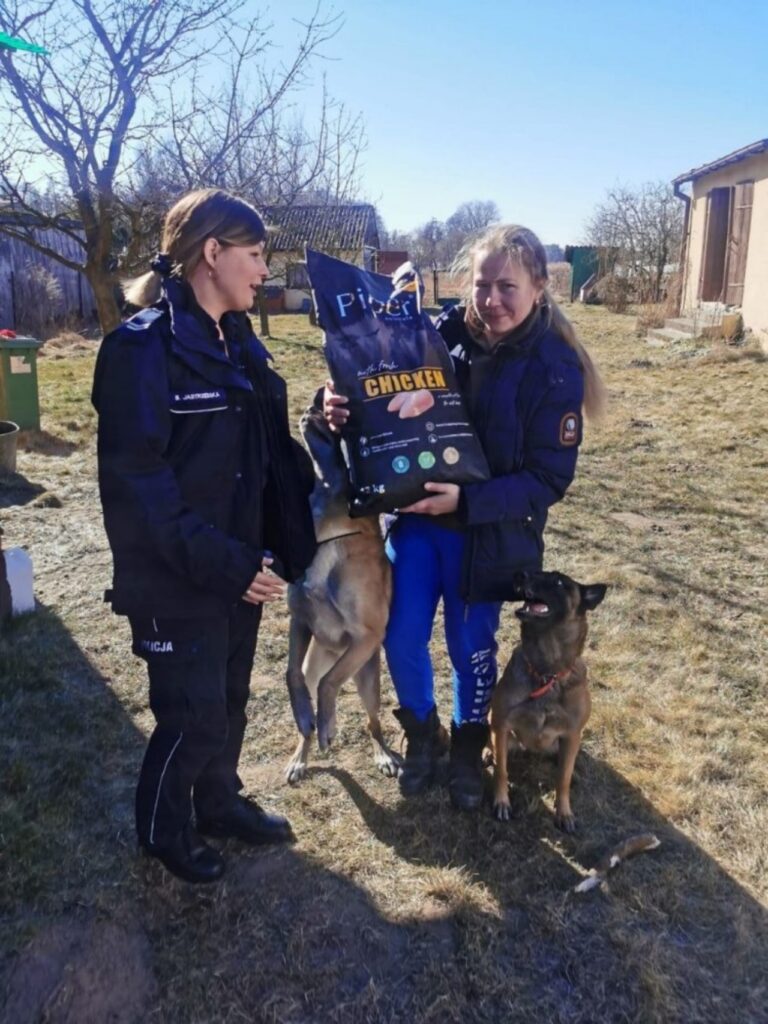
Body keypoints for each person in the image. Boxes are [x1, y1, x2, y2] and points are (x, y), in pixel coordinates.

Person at [324, 224, 605, 811]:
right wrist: (332, 405)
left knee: (469, 644)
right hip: (419, 525)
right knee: (400, 635)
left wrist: (468, 502)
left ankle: (468, 741)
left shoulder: (554, 367)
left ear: (537, 286)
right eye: (482, 285)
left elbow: (548, 479)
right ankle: (423, 732)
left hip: (489, 536)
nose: (492, 300)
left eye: (507, 286)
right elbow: (378, 387)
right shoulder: (439, 331)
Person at [92, 188, 317, 883]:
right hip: (181, 576)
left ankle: (219, 802)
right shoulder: (139, 352)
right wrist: (228, 565)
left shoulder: (238, 342)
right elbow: (140, 494)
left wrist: (281, 537)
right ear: (211, 253)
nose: (263, 271)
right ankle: (164, 831)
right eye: (255, 255)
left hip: (242, 567)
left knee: (229, 702)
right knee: (192, 716)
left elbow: (263, 455)